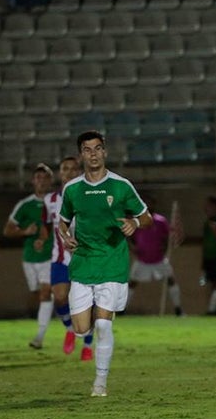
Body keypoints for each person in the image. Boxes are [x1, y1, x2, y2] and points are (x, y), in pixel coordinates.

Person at [56, 131, 152, 397]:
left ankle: (100, 382)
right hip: (84, 263)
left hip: (113, 262)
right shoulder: (72, 189)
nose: (94, 154)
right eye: (88, 150)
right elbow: (62, 221)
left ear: (105, 152)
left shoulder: (121, 186)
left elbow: (148, 218)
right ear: (81, 155)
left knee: (103, 325)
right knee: (81, 328)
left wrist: (134, 222)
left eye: (98, 148)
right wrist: (65, 236)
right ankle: (87, 340)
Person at [38, 155, 94, 359]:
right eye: (65, 169)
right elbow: (46, 225)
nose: (69, 172)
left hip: (86, 258)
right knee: (60, 297)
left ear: (80, 172)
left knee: (88, 303)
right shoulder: (49, 200)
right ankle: (70, 328)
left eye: (73, 169)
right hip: (59, 258)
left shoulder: (90, 196)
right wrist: (41, 238)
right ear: (60, 173)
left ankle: (88, 344)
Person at [3, 163, 56, 349]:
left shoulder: (58, 202)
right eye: (38, 178)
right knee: (36, 293)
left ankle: (39, 337)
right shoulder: (25, 205)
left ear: (51, 181)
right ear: (33, 181)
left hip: (51, 256)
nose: (41, 181)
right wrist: (25, 231)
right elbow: (8, 230)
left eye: (45, 178)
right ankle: (60, 310)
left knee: (45, 292)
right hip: (30, 258)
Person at [129, 201, 184, 316]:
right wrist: (134, 249)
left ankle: (178, 309)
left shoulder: (160, 220)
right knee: (132, 283)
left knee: (171, 280)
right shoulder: (137, 221)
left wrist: (164, 247)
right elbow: (130, 237)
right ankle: (122, 310)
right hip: (142, 260)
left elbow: (166, 237)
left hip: (159, 260)